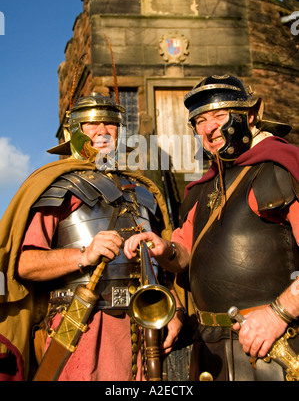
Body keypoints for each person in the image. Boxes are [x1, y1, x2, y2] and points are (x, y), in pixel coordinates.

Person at [124, 74, 299, 381]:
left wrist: (279, 313)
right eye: (200, 120)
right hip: (209, 353)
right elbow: (185, 254)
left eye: (219, 115)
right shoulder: (200, 189)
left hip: (275, 347)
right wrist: (165, 249)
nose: (208, 128)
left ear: (250, 115)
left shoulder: (281, 168)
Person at [0, 92, 184, 381]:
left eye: (109, 124)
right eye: (92, 123)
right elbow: (23, 264)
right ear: (75, 132)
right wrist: (83, 255)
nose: (102, 131)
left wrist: (175, 310)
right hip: (82, 327)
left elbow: (164, 267)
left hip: (145, 327)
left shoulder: (143, 192)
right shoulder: (58, 188)